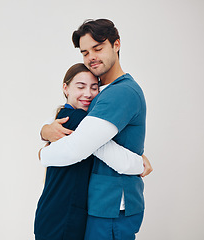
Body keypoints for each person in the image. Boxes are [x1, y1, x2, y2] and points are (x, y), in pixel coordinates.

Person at [40, 19, 152, 240]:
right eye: (85, 52)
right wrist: (44, 131)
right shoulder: (100, 93)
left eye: (98, 48)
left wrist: (42, 153)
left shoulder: (120, 92)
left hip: (112, 206)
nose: (91, 56)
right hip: (100, 205)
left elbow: (78, 147)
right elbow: (89, 135)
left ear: (116, 45)